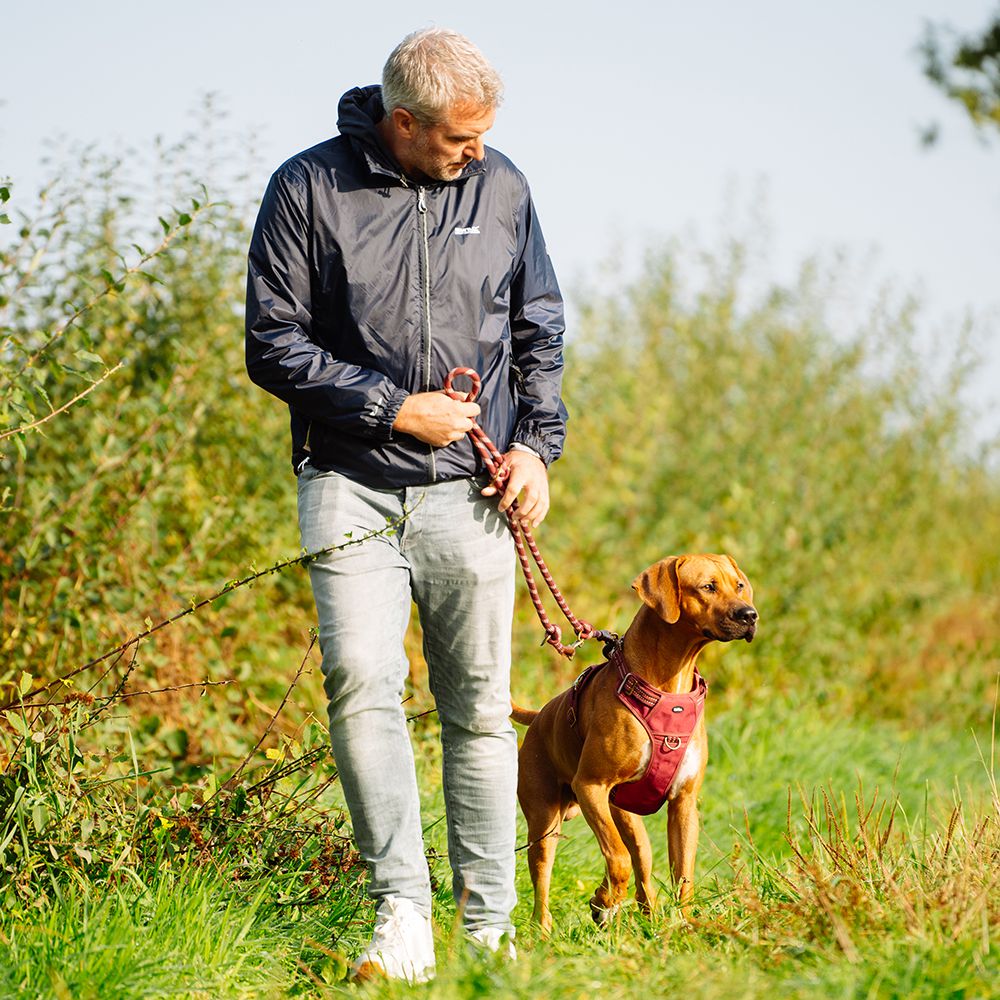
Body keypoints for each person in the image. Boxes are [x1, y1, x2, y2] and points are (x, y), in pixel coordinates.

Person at [245, 27, 567, 983]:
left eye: (483, 138)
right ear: (404, 122)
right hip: (346, 482)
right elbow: (272, 343)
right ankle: (403, 917)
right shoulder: (306, 190)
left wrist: (536, 451)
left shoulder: (503, 186)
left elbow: (537, 326)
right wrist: (392, 408)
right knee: (362, 686)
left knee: (475, 709)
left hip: (472, 494)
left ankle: (489, 930)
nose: (476, 154)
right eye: (460, 139)